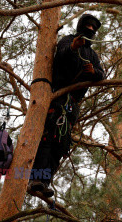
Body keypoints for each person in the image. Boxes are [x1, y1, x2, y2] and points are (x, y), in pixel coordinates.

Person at [28, 14, 105, 197]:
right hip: (58, 96)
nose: (91, 30)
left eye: (94, 28)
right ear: (80, 26)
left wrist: (93, 72)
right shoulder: (68, 40)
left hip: (73, 104)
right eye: (87, 26)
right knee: (48, 137)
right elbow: (60, 55)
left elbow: (102, 76)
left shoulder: (93, 55)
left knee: (61, 144)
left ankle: (45, 182)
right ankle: (35, 179)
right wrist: (73, 47)